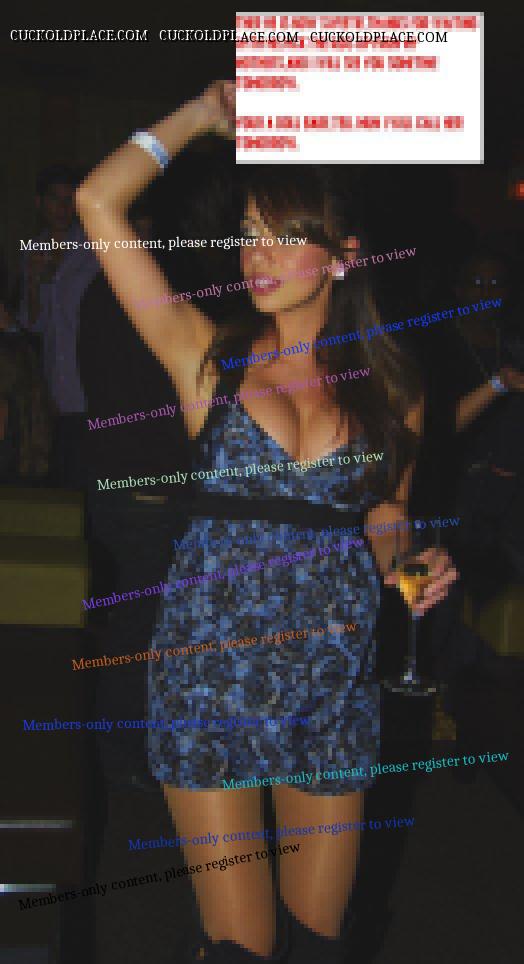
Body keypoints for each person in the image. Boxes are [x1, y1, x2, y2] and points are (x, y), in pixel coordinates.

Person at [76, 81, 458, 963]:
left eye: (286, 236)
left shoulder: (393, 386)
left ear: (344, 256)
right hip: (211, 673)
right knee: (240, 949)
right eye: (250, 234)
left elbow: (387, 518)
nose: (259, 255)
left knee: (319, 945)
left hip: (331, 670)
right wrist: (200, 118)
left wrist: (413, 569)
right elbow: (99, 201)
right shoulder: (202, 355)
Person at [17, 164, 99, 487]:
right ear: (40, 203)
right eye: (55, 199)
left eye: (69, 200)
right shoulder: (34, 250)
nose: (63, 208)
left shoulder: (95, 248)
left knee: (89, 473)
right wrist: (34, 282)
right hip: (54, 383)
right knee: (61, 477)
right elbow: (33, 323)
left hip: (92, 381)